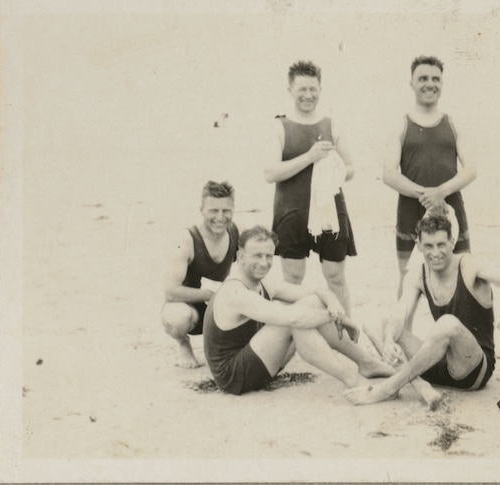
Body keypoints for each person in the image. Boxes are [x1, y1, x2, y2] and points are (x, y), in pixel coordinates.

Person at [345, 214, 500, 407]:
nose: (435, 252)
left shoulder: (469, 265)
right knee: (375, 324)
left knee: (447, 323)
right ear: (418, 245)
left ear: (452, 242)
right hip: (435, 363)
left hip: (471, 369)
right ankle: (422, 387)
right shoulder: (418, 275)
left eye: (441, 244)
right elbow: (401, 313)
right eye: (428, 246)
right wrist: (389, 339)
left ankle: (388, 388)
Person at [203, 225, 395, 396]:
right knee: (295, 321)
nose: (264, 263)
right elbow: (293, 319)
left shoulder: (263, 282)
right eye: (257, 255)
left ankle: (365, 362)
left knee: (310, 303)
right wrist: (337, 318)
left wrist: (335, 305)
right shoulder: (235, 292)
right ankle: (351, 377)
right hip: (234, 376)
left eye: (268, 256)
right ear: (240, 257)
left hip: (257, 359)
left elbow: (316, 292)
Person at [264, 60, 357, 315]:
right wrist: (310, 157)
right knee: (292, 277)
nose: (308, 95)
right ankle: (288, 337)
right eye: (302, 89)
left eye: (313, 89)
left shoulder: (332, 123)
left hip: (329, 209)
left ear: (320, 89)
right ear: (290, 90)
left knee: (335, 275)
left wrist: (333, 165)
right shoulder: (279, 126)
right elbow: (270, 173)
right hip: (291, 209)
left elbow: (350, 170)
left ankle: (348, 335)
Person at [382, 55, 477, 293]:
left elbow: (471, 169)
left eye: (436, 79)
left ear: (442, 83)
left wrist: (441, 193)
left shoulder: (453, 123)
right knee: (408, 277)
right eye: (422, 78)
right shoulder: (400, 124)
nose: (429, 84)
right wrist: (427, 195)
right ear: (411, 83)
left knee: (462, 273)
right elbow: (389, 174)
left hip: (451, 207)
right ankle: (403, 330)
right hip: (410, 210)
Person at [161, 181, 239, 369]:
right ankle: (183, 343)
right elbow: (170, 292)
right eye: (213, 211)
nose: (220, 218)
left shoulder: (236, 231)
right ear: (201, 210)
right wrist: (209, 294)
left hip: (219, 308)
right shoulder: (185, 240)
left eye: (226, 211)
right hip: (191, 308)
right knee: (177, 317)